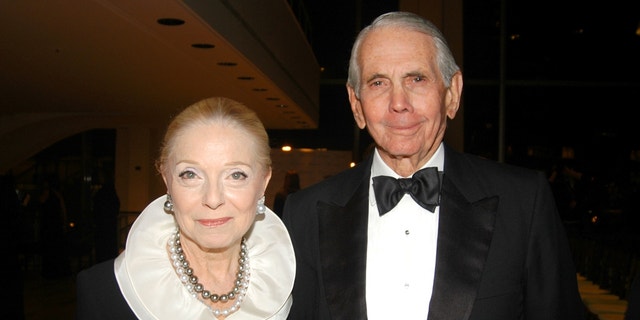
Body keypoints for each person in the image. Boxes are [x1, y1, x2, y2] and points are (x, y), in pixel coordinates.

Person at [282, 11, 585, 319]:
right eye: (378, 82)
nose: (398, 102)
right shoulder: (305, 213)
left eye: (417, 79)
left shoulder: (523, 204)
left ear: (452, 94)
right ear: (356, 104)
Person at [77, 97, 295, 319]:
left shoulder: (296, 286)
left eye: (236, 175)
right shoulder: (102, 292)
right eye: (190, 174)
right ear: (167, 179)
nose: (212, 198)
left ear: (263, 182)